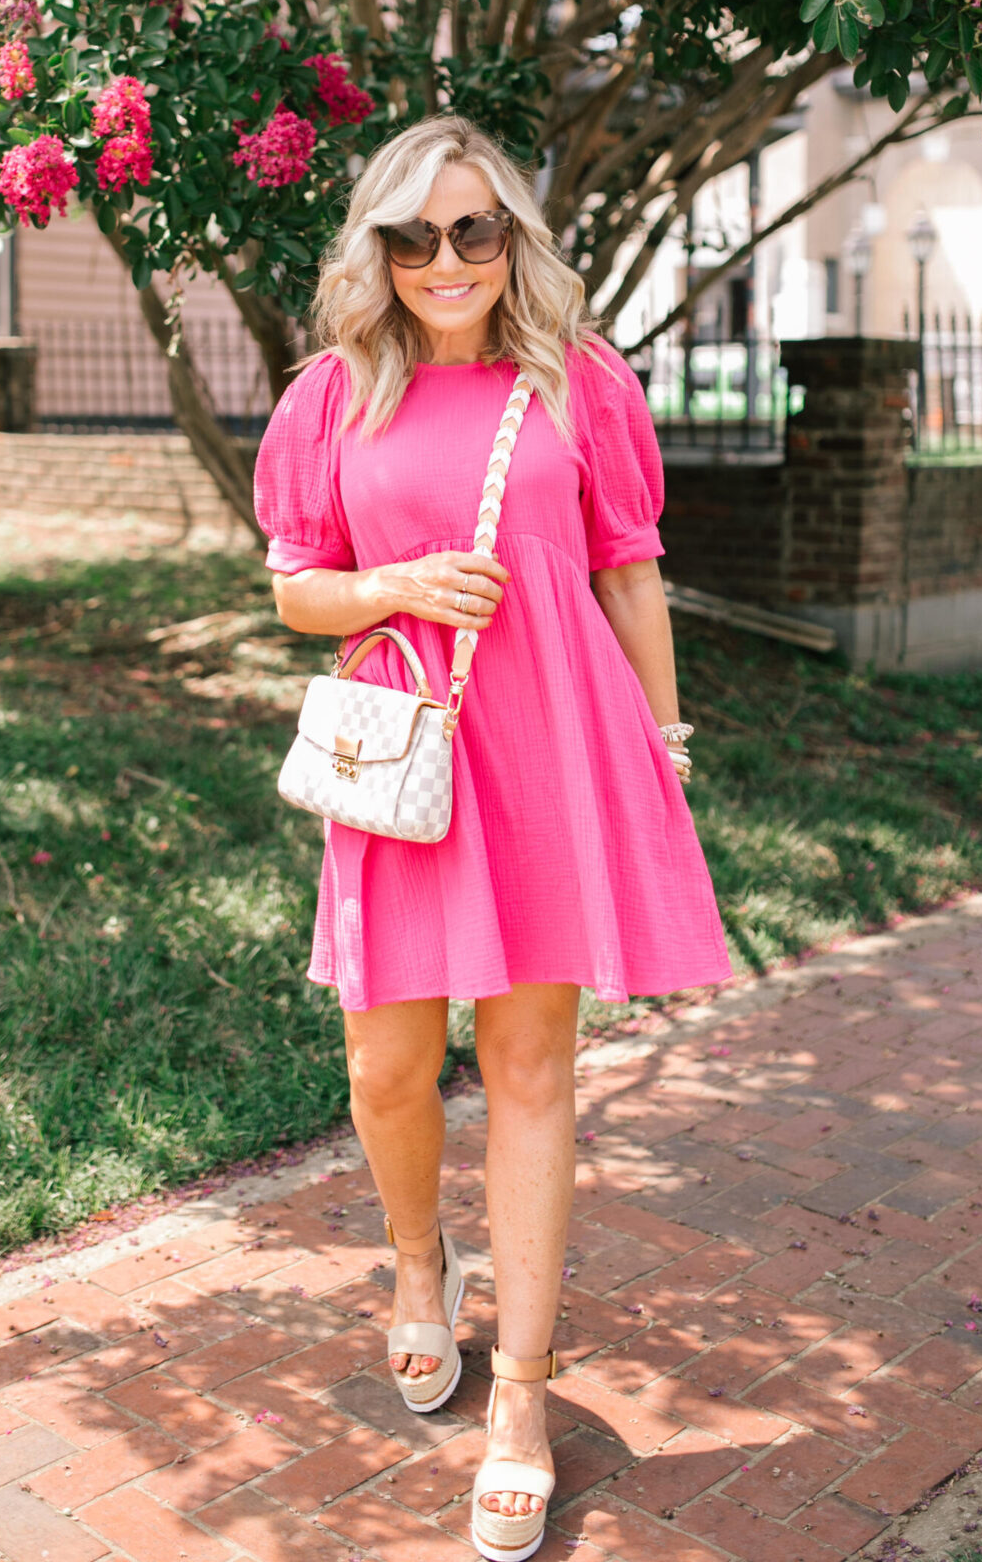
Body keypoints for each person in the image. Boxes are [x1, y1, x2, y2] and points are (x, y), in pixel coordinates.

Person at [254, 115, 730, 1561]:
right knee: (384, 1063)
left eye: (472, 231)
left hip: (553, 750)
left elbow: (630, 573)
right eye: (413, 235)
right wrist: (393, 581)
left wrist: (663, 744)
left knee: (531, 1065)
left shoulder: (581, 383)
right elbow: (297, 592)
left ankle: (521, 1396)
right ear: (376, 249)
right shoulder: (329, 396)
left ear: (512, 239)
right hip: (408, 754)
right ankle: (417, 1263)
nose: (444, 260)